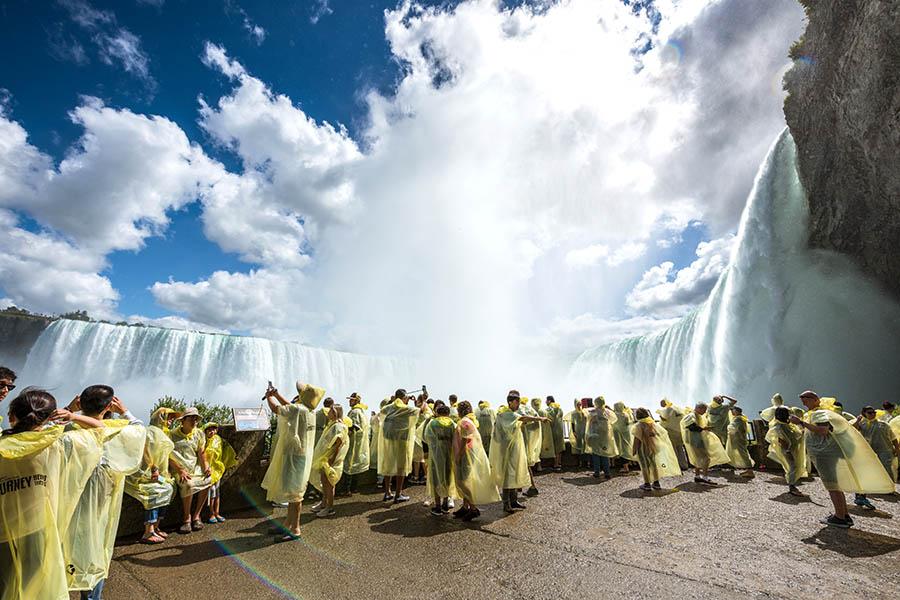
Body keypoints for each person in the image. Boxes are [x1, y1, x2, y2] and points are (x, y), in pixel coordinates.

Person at [0, 388, 105, 600]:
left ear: (11, 415)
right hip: (37, 529)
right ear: (49, 417)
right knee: (32, 589)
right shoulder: (59, 443)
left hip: (2, 529)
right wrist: (72, 415)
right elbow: (100, 429)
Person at [63, 385, 146, 600]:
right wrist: (124, 411)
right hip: (100, 501)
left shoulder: (70, 430)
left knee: (65, 548)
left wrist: (70, 411)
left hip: (69, 500)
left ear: (81, 403)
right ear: (110, 406)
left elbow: (46, 428)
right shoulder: (115, 432)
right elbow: (139, 429)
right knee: (96, 550)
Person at [791, 391, 893, 527]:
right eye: (801, 398)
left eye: (806, 398)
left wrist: (800, 422)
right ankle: (844, 515)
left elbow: (823, 430)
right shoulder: (816, 413)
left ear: (816, 399)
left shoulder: (819, 413)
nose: (803, 401)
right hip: (824, 453)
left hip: (826, 454)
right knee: (834, 485)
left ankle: (840, 517)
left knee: (832, 485)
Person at [261, 381, 324, 542]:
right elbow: (291, 407)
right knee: (293, 494)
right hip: (302, 457)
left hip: (294, 458)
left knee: (295, 495)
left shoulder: (298, 410)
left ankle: (295, 529)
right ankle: (287, 524)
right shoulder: (309, 412)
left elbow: (277, 409)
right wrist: (276, 394)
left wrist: (269, 397)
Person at [125, 407, 177, 544]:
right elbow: (144, 450)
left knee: (170, 489)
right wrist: (153, 467)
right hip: (142, 475)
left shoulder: (162, 433)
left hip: (156, 473)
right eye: (169, 416)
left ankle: (156, 527)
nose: (171, 420)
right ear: (161, 417)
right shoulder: (148, 432)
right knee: (155, 493)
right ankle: (148, 531)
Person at [489, 391, 547, 513]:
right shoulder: (505, 413)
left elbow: (521, 422)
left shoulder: (510, 414)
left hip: (515, 448)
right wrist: (540, 418)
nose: (518, 404)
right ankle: (506, 503)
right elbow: (522, 418)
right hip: (507, 450)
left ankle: (514, 501)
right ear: (510, 402)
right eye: (517, 402)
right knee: (507, 475)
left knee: (514, 473)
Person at [168, 407, 213, 535]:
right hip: (179, 469)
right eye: (191, 418)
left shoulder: (198, 433)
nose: (194, 421)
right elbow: (168, 456)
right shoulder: (172, 435)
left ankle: (196, 516)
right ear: (183, 421)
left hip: (194, 467)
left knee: (208, 480)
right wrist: (180, 470)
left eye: (196, 418)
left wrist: (206, 467)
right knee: (188, 484)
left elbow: (201, 452)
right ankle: (186, 518)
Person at [452, 401, 499, 521]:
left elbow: (464, 440)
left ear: (460, 411)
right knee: (467, 480)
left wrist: (459, 455)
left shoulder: (464, 422)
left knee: (463, 481)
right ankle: (465, 506)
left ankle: (473, 508)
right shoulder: (471, 421)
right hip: (471, 454)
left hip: (466, 455)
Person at [378, 389, 424, 504]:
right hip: (402, 442)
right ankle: (398, 494)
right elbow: (421, 411)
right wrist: (418, 401)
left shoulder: (388, 408)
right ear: (404, 398)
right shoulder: (407, 409)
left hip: (388, 440)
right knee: (401, 467)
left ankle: (387, 492)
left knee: (388, 465)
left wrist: (392, 402)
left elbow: (382, 412)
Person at [852, 406, 899, 508]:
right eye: (870, 412)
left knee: (886, 468)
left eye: (874, 412)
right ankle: (872, 488)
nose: (873, 414)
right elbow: (853, 429)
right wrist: (857, 420)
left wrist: (897, 449)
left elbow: (894, 438)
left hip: (885, 450)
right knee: (869, 470)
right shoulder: (862, 424)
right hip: (869, 450)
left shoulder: (883, 425)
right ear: (864, 413)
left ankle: (889, 488)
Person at [310, 405, 350, 517]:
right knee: (325, 481)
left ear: (336, 413)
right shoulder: (333, 424)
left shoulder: (338, 426)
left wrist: (332, 459)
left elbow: (338, 444)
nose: (328, 413)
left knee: (329, 484)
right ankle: (323, 504)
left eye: (331, 412)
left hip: (330, 459)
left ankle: (330, 508)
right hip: (325, 458)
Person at [631, 407, 681, 491]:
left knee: (645, 466)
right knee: (654, 464)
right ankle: (656, 483)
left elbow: (637, 439)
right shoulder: (653, 424)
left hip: (643, 448)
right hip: (653, 447)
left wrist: (634, 449)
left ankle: (647, 484)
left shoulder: (638, 426)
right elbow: (662, 433)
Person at [681, 402, 730, 485]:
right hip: (695, 440)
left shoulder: (695, 415)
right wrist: (704, 428)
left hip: (696, 440)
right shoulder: (691, 416)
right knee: (706, 458)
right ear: (699, 408)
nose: (705, 412)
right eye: (704, 410)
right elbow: (691, 427)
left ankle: (697, 476)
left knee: (698, 458)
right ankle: (705, 477)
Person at [423, 404, 457, 515]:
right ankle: (445, 504)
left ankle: (437, 507)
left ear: (437, 413)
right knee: (447, 478)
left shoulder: (433, 423)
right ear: (448, 413)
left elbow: (426, 437)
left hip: (436, 455)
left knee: (436, 479)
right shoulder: (452, 424)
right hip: (449, 455)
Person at [765, 406, 807, 497]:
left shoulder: (786, 425)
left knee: (794, 467)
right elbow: (781, 440)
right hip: (787, 450)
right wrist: (787, 450)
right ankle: (792, 487)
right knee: (793, 467)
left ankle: (792, 485)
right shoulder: (779, 426)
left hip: (791, 449)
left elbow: (796, 435)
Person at [203, 422, 237, 524]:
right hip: (207, 470)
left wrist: (230, 461)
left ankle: (217, 512)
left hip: (217, 469)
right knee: (212, 491)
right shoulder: (203, 441)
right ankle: (211, 513)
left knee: (217, 491)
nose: (212, 431)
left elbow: (227, 450)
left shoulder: (218, 440)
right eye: (209, 430)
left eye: (213, 429)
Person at [340, 392, 370, 496]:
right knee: (355, 463)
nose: (349, 401)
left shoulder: (354, 412)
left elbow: (353, 427)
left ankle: (347, 489)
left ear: (356, 401)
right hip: (359, 442)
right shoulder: (361, 411)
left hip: (353, 442)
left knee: (349, 463)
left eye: (351, 399)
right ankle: (354, 488)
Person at [585, 396, 618, 480]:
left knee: (596, 454)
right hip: (605, 436)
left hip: (595, 435)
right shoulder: (608, 412)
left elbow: (589, 420)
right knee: (605, 454)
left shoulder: (593, 412)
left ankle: (597, 472)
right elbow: (614, 419)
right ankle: (607, 473)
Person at [518, 397, 543, 495]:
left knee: (522, 462)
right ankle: (522, 486)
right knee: (526, 462)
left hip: (522, 437)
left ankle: (531, 486)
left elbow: (523, 418)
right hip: (530, 437)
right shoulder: (530, 408)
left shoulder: (520, 409)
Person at [657, 398, 689, 469]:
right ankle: (684, 465)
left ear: (664, 403)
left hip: (671, 431)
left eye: (661, 404)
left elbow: (665, 420)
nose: (661, 406)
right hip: (679, 431)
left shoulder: (667, 409)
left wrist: (660, 417)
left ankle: (676, 466)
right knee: (680, 448)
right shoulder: (677, 408)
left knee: (673, 449)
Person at [726, 406, 755, 478]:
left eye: (732, 411)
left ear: (736, 411)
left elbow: (732, 428)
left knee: (743, 454)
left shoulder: (738, 419)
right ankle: (748, 470)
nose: (732, 412)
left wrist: (728, 427)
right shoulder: (742, 418)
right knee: (744, 453)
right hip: (741, 438)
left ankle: (750, 471)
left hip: (737, 439)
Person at [411, 394, 432, 486]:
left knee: (417, 458)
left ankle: (416, 477)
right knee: (424, 457)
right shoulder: (428, 411)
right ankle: (427, 476)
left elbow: (419, 410)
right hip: (426, 436)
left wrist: (421, 401)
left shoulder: (420, 410)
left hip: (417, 436)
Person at [612, 401, 636, 474]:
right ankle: (629, 464)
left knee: (621, 450)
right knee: (626, 449)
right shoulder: (626, 414)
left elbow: (612, 424)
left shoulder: (615, 415)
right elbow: (628, 423)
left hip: (618, 434)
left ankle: (626, 468)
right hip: (626, 433)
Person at [531, 397, 554, 470]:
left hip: (535, 432)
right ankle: (540, 466)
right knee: (541, 448)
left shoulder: (532, 411)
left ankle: (536, 466)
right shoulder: (543, 411)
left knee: (535, 448)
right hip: (545, 432)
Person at [567, 399, 589, 468]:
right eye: (578, 404)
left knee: (586, 446)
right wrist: (574, 431)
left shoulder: (584, 411)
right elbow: (572, 423)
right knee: (580, 447)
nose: (579, 406)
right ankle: (580, 463)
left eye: (580, 404)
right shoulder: (574, 413)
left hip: (585, 430)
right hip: (578, 430)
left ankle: (586, 462)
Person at [546, 396, 566, 472]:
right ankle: (559, 462)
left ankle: (556, 464)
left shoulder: (549, 409)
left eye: (546, 400)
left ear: (549, 401)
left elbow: (550, 419)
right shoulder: (559, 408)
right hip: (560, 430)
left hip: (553, 430)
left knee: (555, 448)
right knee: (559, 447)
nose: (546, 402)